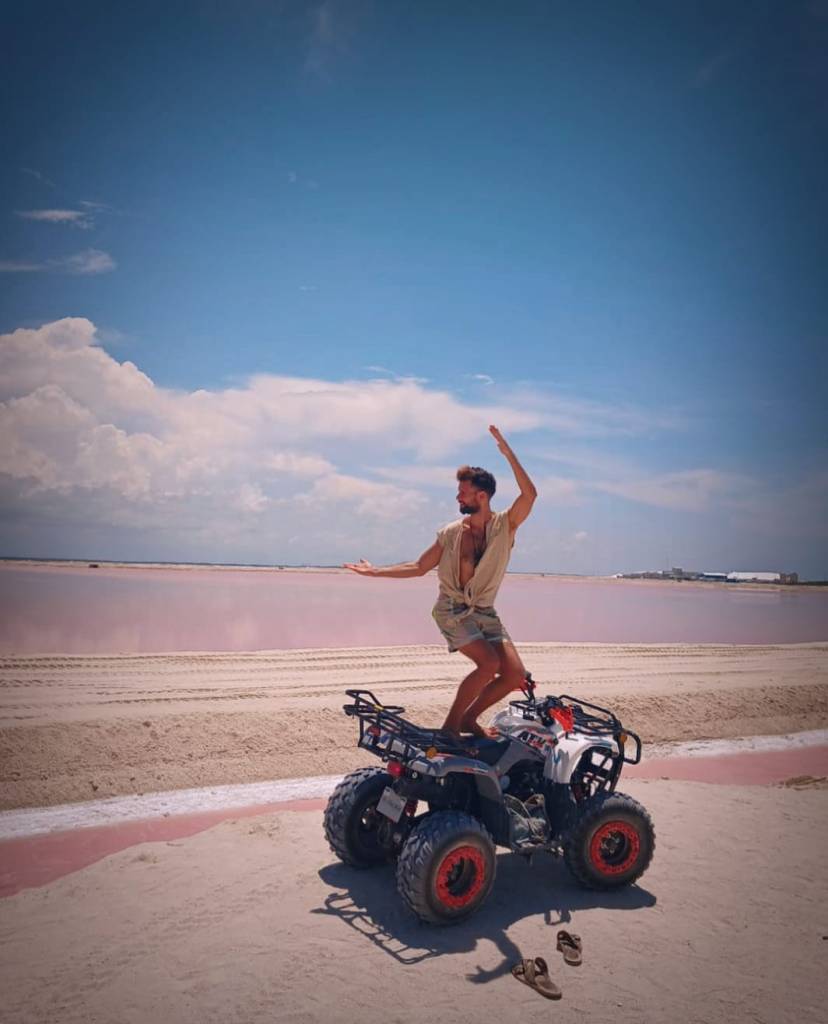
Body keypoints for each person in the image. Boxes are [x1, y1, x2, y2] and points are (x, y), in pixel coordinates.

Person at [344, 424, 537, 739]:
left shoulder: (506, 526)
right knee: (488, 664)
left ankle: (468, 720)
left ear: (481, 495)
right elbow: (420, 566)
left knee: (514, 674)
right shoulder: (451, 534)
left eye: (463, 491)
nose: (457, 496)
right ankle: (451, 727)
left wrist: (508, 454)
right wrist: (375, 571)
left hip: (485, 612)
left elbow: (530, 495)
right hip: (451, 610)